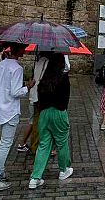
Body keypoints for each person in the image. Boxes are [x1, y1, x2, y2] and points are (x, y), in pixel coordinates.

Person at [0, 44, 34, 193]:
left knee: (4, 142)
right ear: (19, 51)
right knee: (5, 144)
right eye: (23, 48)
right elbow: (15, 92)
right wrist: (28, 86)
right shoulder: (17, 68)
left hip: (0, 109)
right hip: (10, 111)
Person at [28, 53, 73, 189]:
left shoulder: (44, 79)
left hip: (44, 113)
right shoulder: (63, 78)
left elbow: (39, 98)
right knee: (62, 143)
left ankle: (35, 177)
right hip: (58, 112)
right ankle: (64, 169)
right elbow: (66, 99)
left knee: (43, 145)